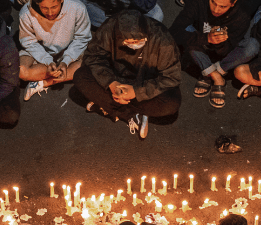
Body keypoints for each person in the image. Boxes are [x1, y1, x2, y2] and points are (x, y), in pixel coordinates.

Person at [77, 10, 182, 138]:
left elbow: (171, 77)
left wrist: (137, 92)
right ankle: (131, 114)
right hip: (115, 77)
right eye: (129, 42)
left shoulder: (163, 40)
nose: (134, 45)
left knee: (172, 103)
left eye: (139, 40)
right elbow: (93, 57)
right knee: (81, 75)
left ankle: (107, 105)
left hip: (144, 83)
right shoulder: (109, 28)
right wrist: (111, 83)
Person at [171, 0, 257, 109]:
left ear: (233, 3)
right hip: (201, 46)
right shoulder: (199, 1)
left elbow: (229, 50)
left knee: (252, 45)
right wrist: (206, 38)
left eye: (223, 7)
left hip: (223, 55)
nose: (216, 9)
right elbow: (174, 31)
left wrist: (220, 42)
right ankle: (217, 78)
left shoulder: (242, 15)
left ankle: (208, 73)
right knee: (187, 32)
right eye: (213, 2)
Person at [19, 0, 92, 100]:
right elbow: (29, 42)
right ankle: (58, 74)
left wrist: (66, 61)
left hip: (69, 52)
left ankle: (43, 82)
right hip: (40, 53)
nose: (50, 12)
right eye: (44, 8)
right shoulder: (26, 13)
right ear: (36, 2)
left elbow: (82, 38)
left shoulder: (77, 8)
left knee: (93, 63)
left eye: (54, 7)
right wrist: (48, 61)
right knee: (21, 71)